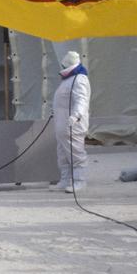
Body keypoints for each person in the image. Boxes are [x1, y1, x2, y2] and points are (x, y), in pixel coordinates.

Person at [52, 50, 91, 193]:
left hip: (73, 124)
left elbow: (81, 100)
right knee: (63, 154)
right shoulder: (68, 79)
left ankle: (80, 181)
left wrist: (76, 115)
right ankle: (65, 180)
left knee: (76, 153)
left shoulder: (79, 79)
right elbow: (62, 100)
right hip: (62, 124)